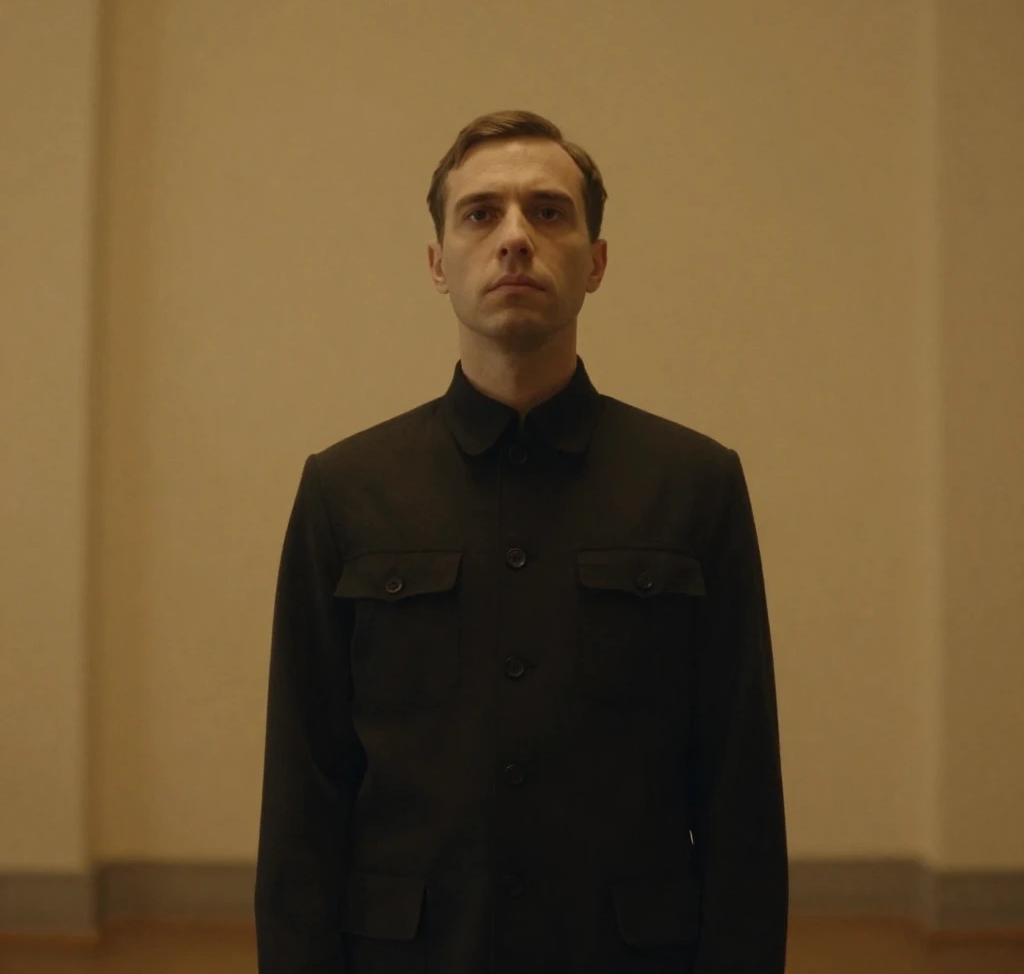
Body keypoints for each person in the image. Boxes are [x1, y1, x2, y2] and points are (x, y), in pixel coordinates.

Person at [254, 108, 788, 974]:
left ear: (596, 262)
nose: (514, 238)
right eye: (480, 213)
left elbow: (740, 783)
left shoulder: (696, 484)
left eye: (547, 212)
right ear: (438, 263)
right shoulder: (345, 490)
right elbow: (304, 787)